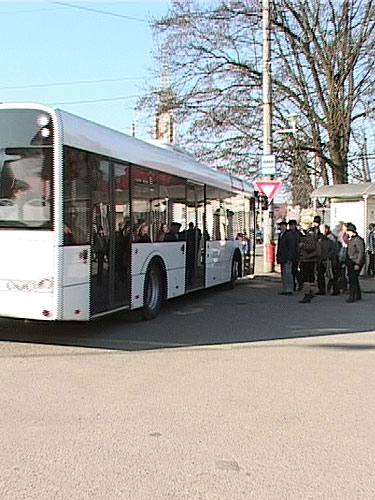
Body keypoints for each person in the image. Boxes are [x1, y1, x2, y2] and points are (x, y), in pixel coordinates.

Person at [298, 223, 320, 303]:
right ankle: (309, 292)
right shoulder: (312, 236)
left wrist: (302, 245)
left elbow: (312, 247)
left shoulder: (309, 236)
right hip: (309, 260)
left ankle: (307, 295)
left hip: (307, 260)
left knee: (306, 278)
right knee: (309, 278)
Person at [345, 222, 365, 303]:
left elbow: (361, 252)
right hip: (350, 261)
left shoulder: (358, 240)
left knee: (353, 278)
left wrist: (358, 263)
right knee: (353, 278)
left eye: (348, 231)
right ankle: (358, 294)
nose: (346, 233)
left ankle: (352, 295)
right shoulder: (351, 239)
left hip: (356, 262)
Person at [317, 224, 338, 295]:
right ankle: (322, 290)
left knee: (332, 275)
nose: (320, 230)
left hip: (329, 259)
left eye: (322, 229)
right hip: (321, 259)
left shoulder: (331, 238)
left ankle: (335, 290)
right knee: (320, 275)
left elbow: (334, 249)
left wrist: (328, 256)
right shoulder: (320, 238)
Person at [276, 221, 294, 296]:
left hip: (287, 258)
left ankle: (289, 289)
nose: (281, 228)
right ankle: (284, 289)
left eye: (283, 226)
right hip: (282, 257)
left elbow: (291, 248)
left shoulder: (288, 235)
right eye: (280, 226)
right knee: (283, 274)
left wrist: (290, 258)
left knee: (288, 274)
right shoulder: (280, 235)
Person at [288, 219, 302, 291]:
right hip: (290, 254)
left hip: (296, 254)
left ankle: (299, 283)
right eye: (290, 225)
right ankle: (293, 285)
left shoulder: (298, 234)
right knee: (291, 271)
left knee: (295, 271)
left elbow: (300, 244)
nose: (291, 227)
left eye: (292, 225)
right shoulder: (288, 233)